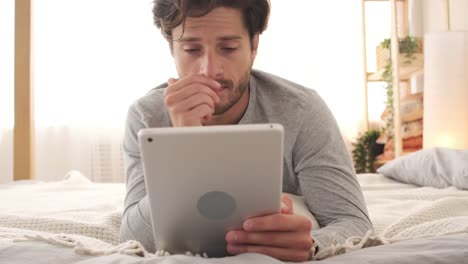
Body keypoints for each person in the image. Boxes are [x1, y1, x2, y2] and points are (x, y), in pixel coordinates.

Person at [120, 0, 372, 262]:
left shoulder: (301, 110)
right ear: (172, 49)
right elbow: (132, 239)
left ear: (254, 46)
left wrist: (312, 244)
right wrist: (185, 142)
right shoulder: (146, 116)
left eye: (228, 48)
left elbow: (352, 221)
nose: (210, 70)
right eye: (192, 49)